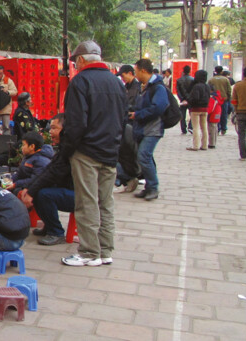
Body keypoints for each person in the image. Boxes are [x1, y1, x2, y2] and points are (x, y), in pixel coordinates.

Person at [58, 41, 125, 266]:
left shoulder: (80, 82)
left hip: (86, 151)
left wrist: (67, 149)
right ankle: (105, 250)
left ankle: (88, 252)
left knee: (87, 202)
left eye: (76, 61)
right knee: (105, 202)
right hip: (110, 150)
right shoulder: (116, 83)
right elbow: (122, 119)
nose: (76, 64)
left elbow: (76, 123)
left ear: (82, 60)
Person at [19, 114, 76, 246]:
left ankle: (56, 232)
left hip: (78, 195)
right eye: (51, 128)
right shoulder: (63, 148)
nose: (50, 131)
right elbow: (48, 171)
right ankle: (49, 226)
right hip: (66, 190)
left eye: (54, 128)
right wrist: (29, 188)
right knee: (38, 191)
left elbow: (53, 174)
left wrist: (31, 191)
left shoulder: (70, 150)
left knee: (43, 194)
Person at [131, 58, 167, 202]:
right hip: (143, 128)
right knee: (146, 157)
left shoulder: (158, 88)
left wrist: (138, 114)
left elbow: (158, 107)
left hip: (152, 129)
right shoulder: (146, 87)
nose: (135, 75)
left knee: (143, 156)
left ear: (143, 71)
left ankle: (153, 187)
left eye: (136, 71)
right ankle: (148, 186)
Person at [116, 65, 141, 193]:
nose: (122, 78)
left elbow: (132, 105)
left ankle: (135, 176)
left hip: (131, 124)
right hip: (125, 123)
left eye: (123, 75)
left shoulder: (136, 88)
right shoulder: (127, 87)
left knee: (129, 153)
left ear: (130, 73)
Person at [183, 70, 212, 151]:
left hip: (196, 109)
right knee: (204, 127)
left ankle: (196, 145)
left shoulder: (196, 86)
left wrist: (189, 101)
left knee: (195, 127)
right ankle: (205, 145)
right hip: (205, 108)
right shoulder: (207, 86)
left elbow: (195, 98)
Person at [0, 65, 18, 134]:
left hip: (6, 108)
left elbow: (15, 91)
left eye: (0, 73)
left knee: (6, 127)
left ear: (3, 73)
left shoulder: (8, 81)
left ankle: (6, 142)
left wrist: (7, 92)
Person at [210, 67, 233, 135]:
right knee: (224, 114)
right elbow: (229, 90)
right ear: (222, 71)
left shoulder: (211, 79)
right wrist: (228, 97)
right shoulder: (226, 79)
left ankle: (217, 127)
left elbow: (209, 89)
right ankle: (224, 128)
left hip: (215, 99)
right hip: (224, 99)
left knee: (216, 114)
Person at [176, 65, 195, 134]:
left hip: (183, 100)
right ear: (190, 71)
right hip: (191, 100)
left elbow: (178, 91)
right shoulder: (193, 80)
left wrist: (182, 99)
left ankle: (183, 129)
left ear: (183, 71)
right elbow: (193, 91)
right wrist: (190, 98)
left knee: (182, 115)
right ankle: (191, 126)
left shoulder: (179, 80)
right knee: (192, 114)